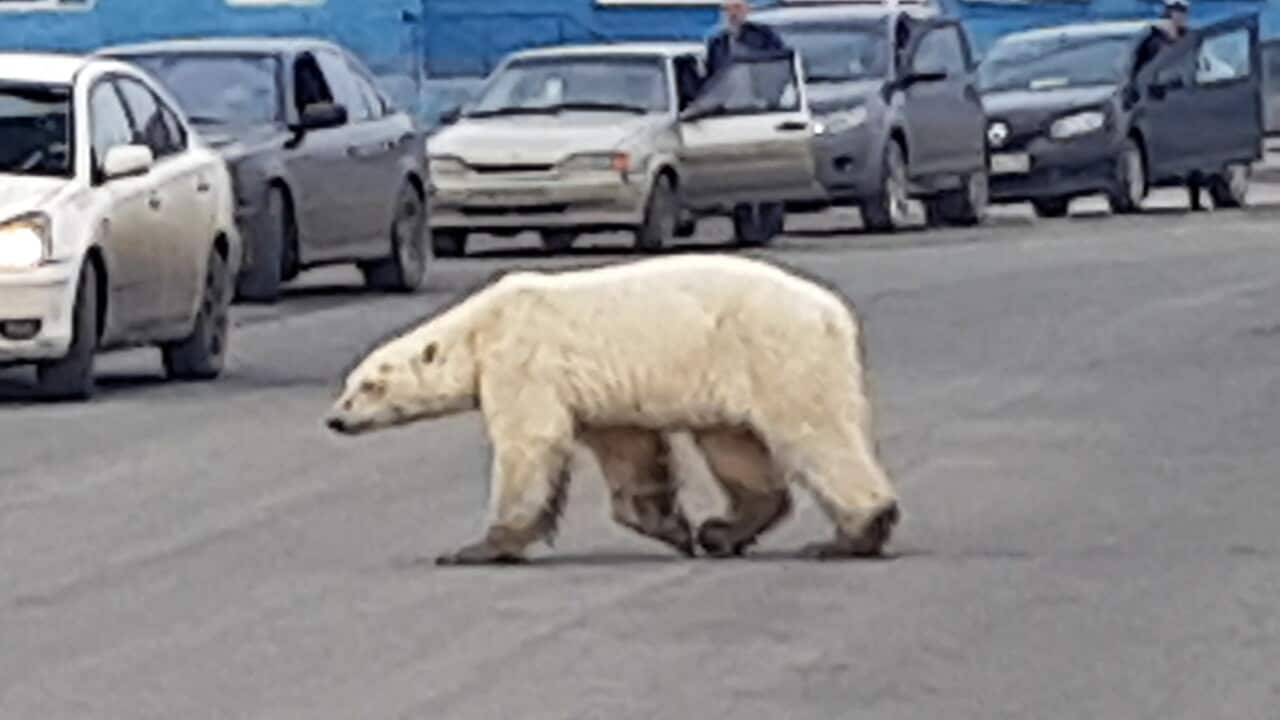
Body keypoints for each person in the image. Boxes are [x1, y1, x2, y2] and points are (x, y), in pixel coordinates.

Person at [703, 0, 789, 243]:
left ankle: (770, 224)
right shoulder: (718, 44)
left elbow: (780, 66)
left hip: (762, 110)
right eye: (729, 8)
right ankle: (744, 228)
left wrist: (770, 97)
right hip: (731, 113)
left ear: (747, 9)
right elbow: (712, 78)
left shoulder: (763, 36)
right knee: (738, 171)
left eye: (738, 7)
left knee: (766, 169)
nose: (734, 13)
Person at [1133, 0, 1207, 210]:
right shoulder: (1154, 41)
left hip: (1186, 101)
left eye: (1183, 11)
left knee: (1192, 148)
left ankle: (1195, 197)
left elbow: (1197, 66)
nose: (1180, 16)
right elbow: (1144, 72)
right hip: (1160, 101)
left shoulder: (1189, 38)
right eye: (1176, 11)